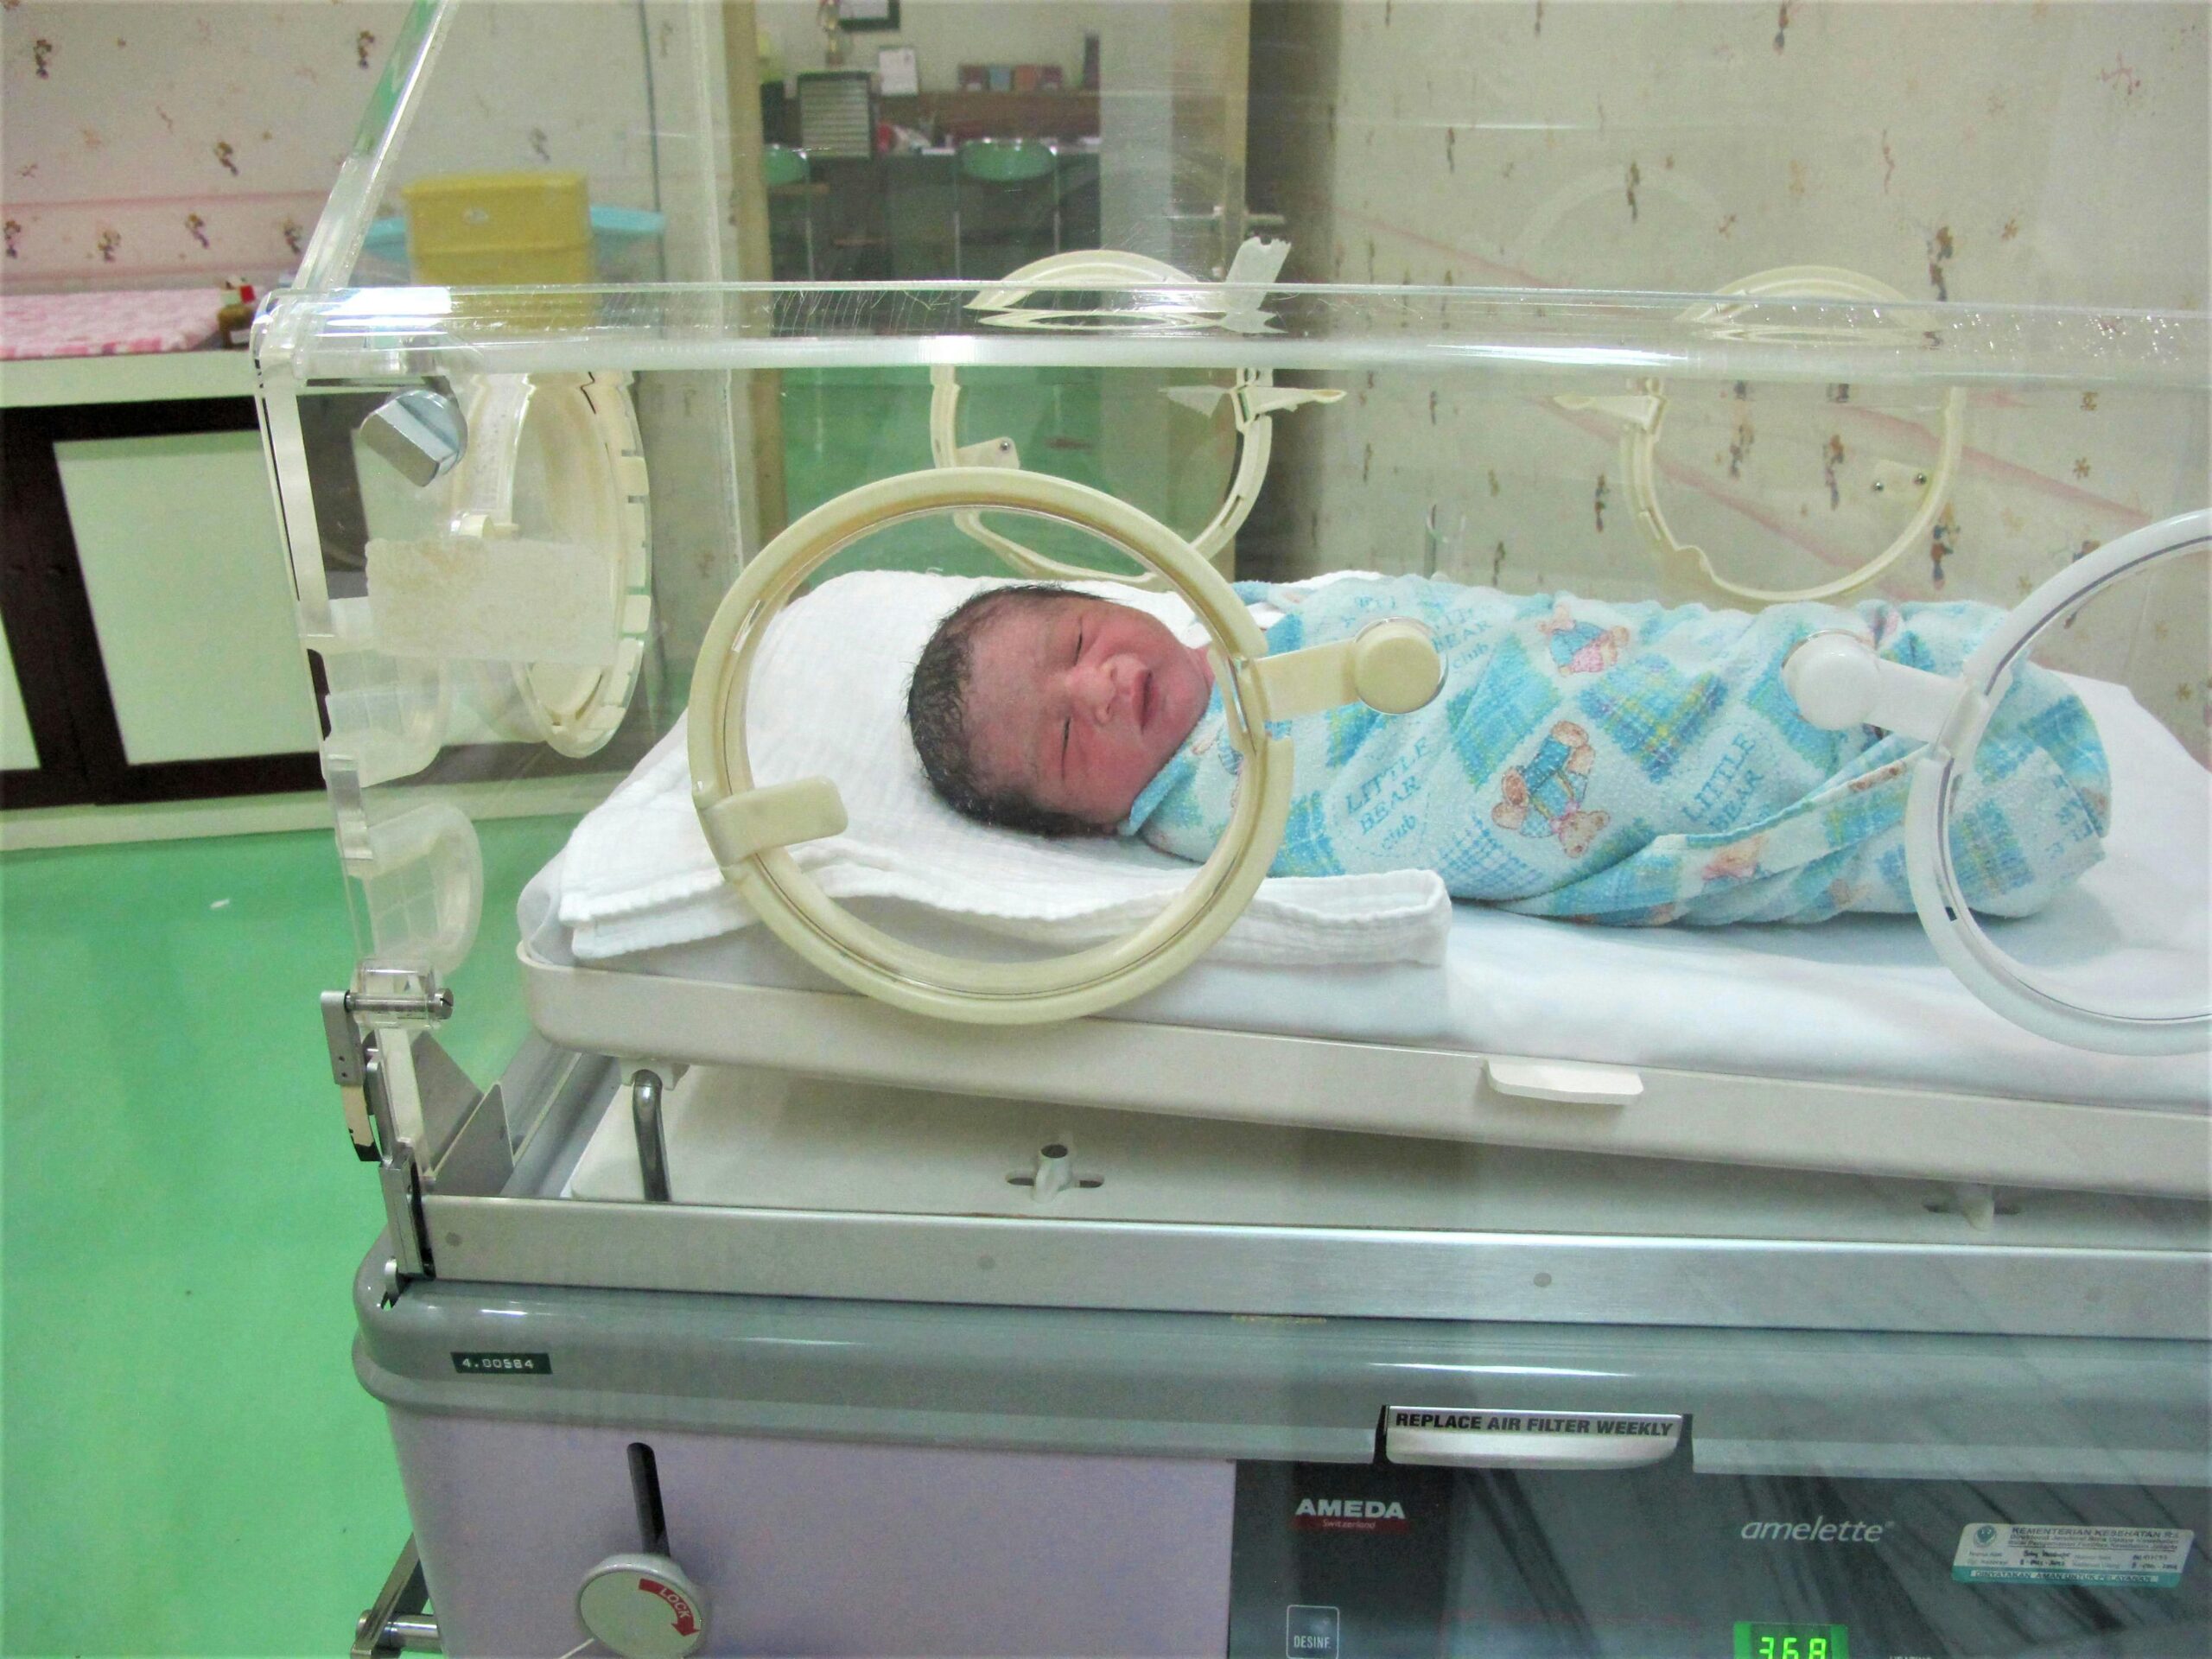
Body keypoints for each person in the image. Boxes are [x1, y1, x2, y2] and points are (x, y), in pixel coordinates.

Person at [904, 574, 2111, 925]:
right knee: (1624, 734)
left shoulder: (1255, 615)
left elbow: (1471, 627)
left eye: (1077, 639)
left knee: (1674, 658)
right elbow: (1415, 797)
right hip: (1557, 758)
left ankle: (1872, 687)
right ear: (1086, 824)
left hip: (1591, 657)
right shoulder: (1216, 811)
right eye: (1069, 738)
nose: (1103, 688)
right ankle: (1903, 763)